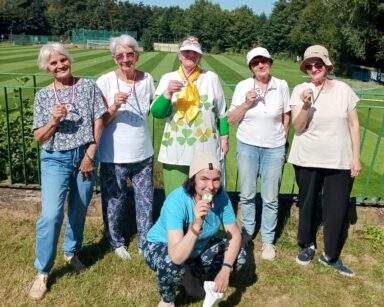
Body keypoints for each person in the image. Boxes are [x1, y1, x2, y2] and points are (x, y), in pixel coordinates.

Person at [30, 42, 106, 300]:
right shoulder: (43, 96)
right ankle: (42, 271)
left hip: (84, 155)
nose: (60, 65)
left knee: (78, 209)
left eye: (63, 60)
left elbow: (99, 120)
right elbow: (39, 138)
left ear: (69, 60)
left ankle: (71, 252)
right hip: (55, 159)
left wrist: (90, 154)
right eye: (53, 63)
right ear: (47, 68)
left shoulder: (87, 86)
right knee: (51, 216)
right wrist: (53, 120)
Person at [288, 45, 361, 276]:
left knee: (337, 209)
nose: (313, 69)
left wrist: (356, 158)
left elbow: (353, 125)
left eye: (318, 64)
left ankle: (330, 255)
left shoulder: (344, 89)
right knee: (307, 203)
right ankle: (307, 244)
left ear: (327, 65)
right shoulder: (301, 89)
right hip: (307, 157)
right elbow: (298, 128)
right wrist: (307, 104)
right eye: (309, 65)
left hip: (339, 160)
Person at [144, 152, 246, 307]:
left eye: (216, 180)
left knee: (238, 256)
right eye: (204, 179)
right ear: (193, 179)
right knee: (171, 263)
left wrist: (226, 270)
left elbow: (235, 235)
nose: (211, 187)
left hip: (197, 248)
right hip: (163, 246)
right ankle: (167, 300)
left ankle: (191, 277)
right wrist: (196, 225)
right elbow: (176, 256)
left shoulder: (221, 198)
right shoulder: (177, 201)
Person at [227, 47, 290, 261]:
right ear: (251, 67)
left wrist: (283, 139)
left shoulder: (281, 85)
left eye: (264, 60)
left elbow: (286, 115)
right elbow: (231, 119)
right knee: (247, 194)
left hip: (274, 148)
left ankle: (268, 240)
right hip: (247, 146)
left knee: (271, 197)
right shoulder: (243, 86)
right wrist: (247, 103)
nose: (260, 65)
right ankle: (246, 234)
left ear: (270, 62)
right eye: (255, 63)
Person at [96, 35, 155, 259]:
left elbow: (152, 108)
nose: (125, 59)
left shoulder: (147, 78)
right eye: (120, 55)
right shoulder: (105, 81)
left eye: (129, 54)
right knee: (114, 201)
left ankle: (145, 241)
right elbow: (99, 120)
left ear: (136, 56)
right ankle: (116, 241)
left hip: (143, 153)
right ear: (114, 59)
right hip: (114, 154)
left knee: (145, 201)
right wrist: (113, 107)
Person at [150, 36, 229, 196]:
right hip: (175, 151)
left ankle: (206, 222)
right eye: (186, 52)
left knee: (207, 197)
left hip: (206, 148)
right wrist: (168, 93)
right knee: (176, 198)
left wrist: (224, 139)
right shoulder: (168, 78)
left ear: (200, 56)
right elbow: (157, 113)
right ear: (179, 55)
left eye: (194, 53)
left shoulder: (211, 78)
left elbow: (222, 113)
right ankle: (178, 223)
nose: (190, 55)